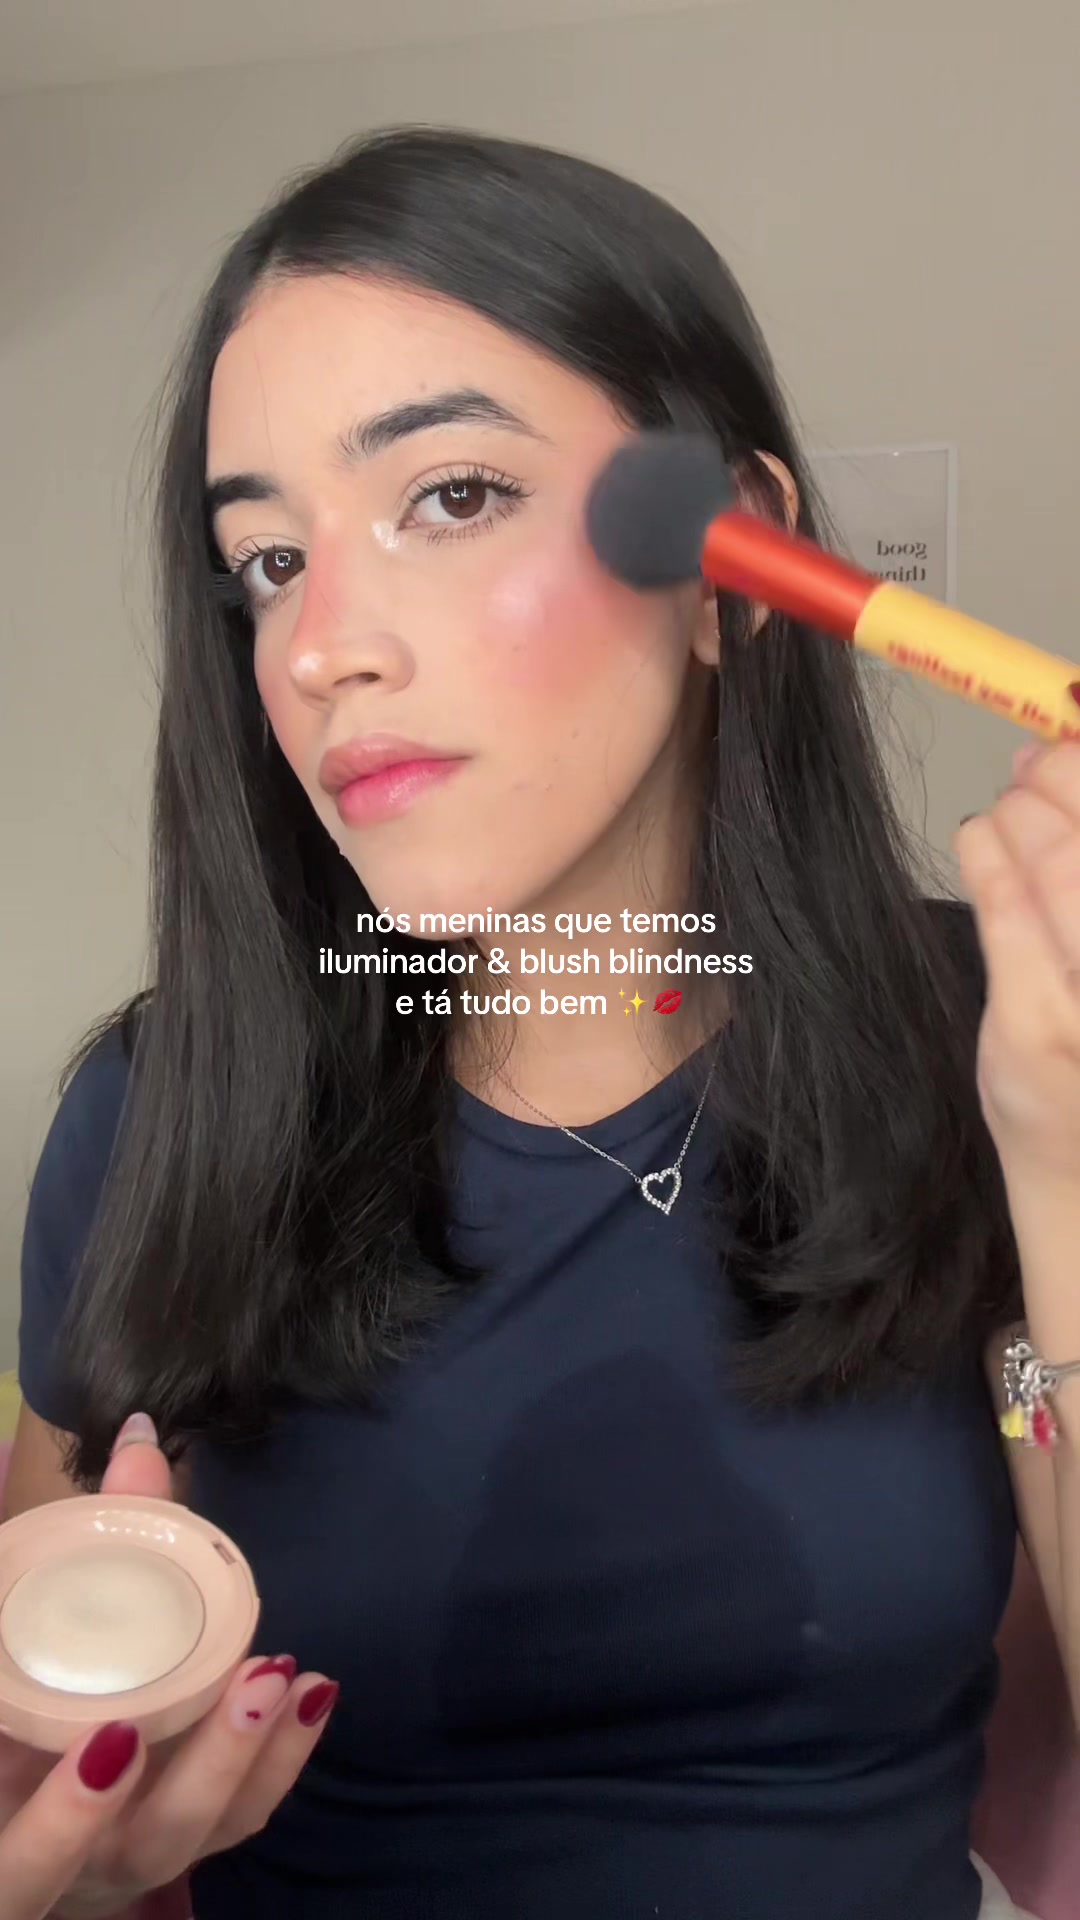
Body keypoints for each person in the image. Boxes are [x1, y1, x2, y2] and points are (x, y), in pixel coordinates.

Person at [2, 122, 1075, 1920]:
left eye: (451, 496)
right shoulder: (164, 1106)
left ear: (735, 564)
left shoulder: (994, 1028)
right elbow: (48, 1685)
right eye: (266, 560)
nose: (320, 647)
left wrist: (1062, 1175)